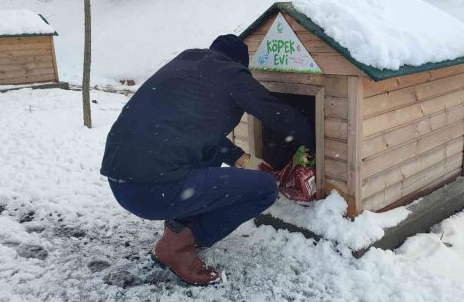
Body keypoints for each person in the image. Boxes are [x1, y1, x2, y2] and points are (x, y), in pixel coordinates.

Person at [101, 34, 314, 286]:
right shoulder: (231, 74)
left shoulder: (187, 63)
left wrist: (238, 157)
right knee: (265, 190)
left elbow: (191, 131)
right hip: (153, 189)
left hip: (122, 184)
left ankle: (177, 229)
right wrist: (314, 140)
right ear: (240, 65)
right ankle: (178, 246)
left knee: (201, 158)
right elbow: (275, 113)